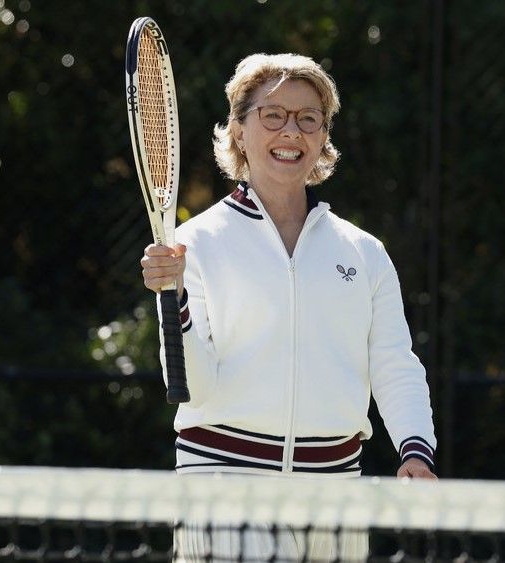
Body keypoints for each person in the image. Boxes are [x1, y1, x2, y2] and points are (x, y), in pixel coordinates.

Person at [140, 53, 436, 561]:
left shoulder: (364, 253)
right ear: (238, 129)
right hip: (221, 489)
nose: (291, 131)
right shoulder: (194, 245)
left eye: (308, 119)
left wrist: (415, 450)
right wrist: (178, 301)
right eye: (272, 115)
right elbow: (195, 388)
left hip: (336, 496)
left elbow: (394, 363)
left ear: (323, 137)